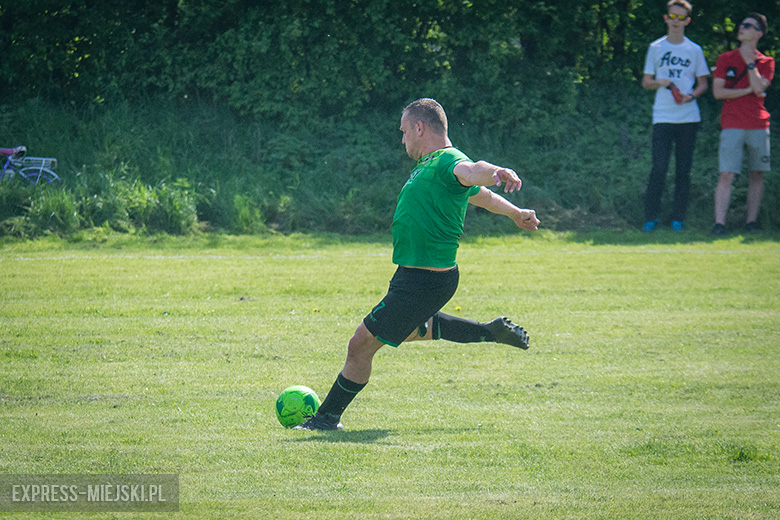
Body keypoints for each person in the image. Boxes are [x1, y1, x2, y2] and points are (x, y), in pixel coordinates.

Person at [295, 98, 540, 431]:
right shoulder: (432, 166)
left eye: (404, 131)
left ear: (419, 127)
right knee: (409, 330)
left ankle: (325, 419)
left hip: (423, 281)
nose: (402, 139)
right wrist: (515, 212)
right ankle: (489, 331)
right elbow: (479, 193)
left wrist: (496, 172)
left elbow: (473, 172)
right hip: (414, 278)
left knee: (360, 344)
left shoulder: (449, 160)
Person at [641, 0, 710, 232]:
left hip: (688, 118)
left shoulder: (694, 50)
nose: (676, 22)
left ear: (687, 21)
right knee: (658, 168)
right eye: (673, 17)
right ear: (666, 18)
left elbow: (703, 84)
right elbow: (646, 82)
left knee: (683, 170)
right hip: (662, 116)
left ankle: (678, 219)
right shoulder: (656, 47)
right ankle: (650, 218)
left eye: (681, 18)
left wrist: (690, 96)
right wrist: (661, 82)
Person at [711, 12, 774, 235]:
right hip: (732, 124)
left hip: (758, 124)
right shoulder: (725, 59)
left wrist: (749, 64)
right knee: (726, 174)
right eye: (741, 24)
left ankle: (751, 223)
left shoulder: (766, 62)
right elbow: (718, 92)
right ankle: (719, 224)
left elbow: (760, 86)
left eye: (747, 26)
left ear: (758, 33)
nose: (741, 28)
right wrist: (748, 89)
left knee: (757, 173)